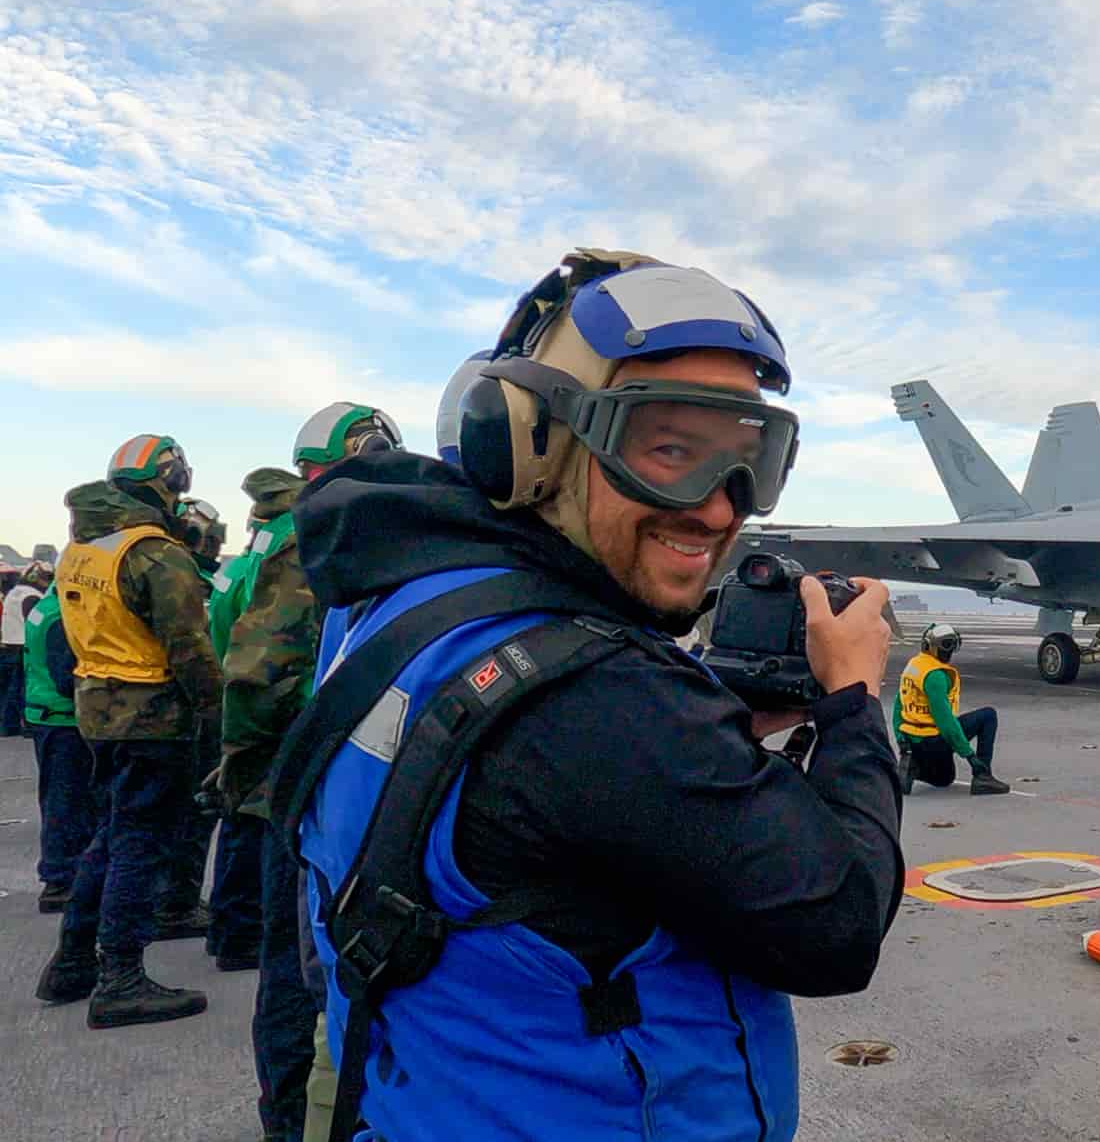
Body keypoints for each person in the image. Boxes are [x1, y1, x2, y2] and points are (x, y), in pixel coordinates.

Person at [278, 250, 903, 1142]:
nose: (721, 510)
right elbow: (838, 926)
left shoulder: (392, 594)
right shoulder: (605, 703)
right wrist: (851, 700)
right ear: (534, 442)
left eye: (744, 463)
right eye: (669, 449)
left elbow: (516, 774)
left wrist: (706, 714)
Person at [213, 403, 402, 1142]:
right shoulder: (318, 538)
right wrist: (261, 770)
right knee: (299, 969)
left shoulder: (279, 536)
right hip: (294, 785)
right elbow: (259, 677)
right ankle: (292, 1122)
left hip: (281, 778)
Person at [35, 434, 221, 1028]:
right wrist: (216, 712)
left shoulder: (83, 549)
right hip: (153, 718)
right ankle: (120, 977)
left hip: (99, 712)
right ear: (172, 479)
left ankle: (70, 963)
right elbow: (188, 645)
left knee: (109, 837)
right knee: (140, 844)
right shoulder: (155, 553)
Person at [157, 495, 232, 944]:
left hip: (183, 709)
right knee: (194, 809)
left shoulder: (202, 578)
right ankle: (175, 905)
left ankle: (175, 899)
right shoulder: (185, 578)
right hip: (194, 708)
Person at [23, 564, 94, 913]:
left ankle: (61, 873)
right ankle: (60, 879)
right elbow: (67, 677)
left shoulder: (46, 607)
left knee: (58, 798)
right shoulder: (60, 615)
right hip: (63, 719)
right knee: (66, 800)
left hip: (47, 715)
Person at [893, 623, 1008, 795]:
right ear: (930, 646)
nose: (950, 651)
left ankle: (913, 766)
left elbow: (898, 706)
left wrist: (902, 741)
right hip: (933, 738)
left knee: (944, 779)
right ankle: (983, 776)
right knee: (988, 715)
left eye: (952, 645)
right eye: (946, 645)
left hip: (913, 742)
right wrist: (970, 756)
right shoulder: (936, 676)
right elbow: (946, 722)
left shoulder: (914, 666)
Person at [1, 562, 38, 736]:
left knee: (10, 687)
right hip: (24, 646)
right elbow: (35, 624)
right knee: (24, 686)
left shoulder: (13, 594)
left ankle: (8, 725)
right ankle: (27, 724)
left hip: (8, 644)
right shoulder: (32, 596)